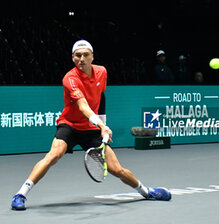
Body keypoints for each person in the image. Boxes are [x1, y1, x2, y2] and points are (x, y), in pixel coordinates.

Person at [11, 40, 171, 211]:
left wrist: (103, 126)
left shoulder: (102, 72)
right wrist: (101, 125)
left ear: (92, 56)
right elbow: (83, 106)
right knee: (53, 155)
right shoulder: (70, 78)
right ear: (73, 58)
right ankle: (20, 194)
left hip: (92, 129)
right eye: (78, 55)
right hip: (70, 125)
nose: (82, 59)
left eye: (86, 55)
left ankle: (147, 192)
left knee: (117, 170)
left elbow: (101, 99)